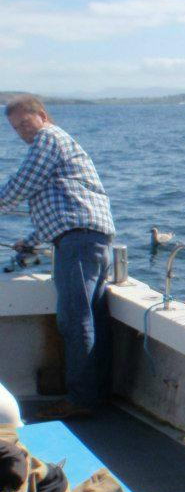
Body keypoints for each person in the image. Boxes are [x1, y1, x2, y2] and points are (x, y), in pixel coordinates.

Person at [1, 95, 115, 420]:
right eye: (15, 127)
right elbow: (56, 201)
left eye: (25, 122)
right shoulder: (54, 146)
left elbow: (22, 184)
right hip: (87, 236)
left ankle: (80, 399)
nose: (22, 131)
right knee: (92, 317)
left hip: (78, 239)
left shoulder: (48, 137)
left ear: (42, 115)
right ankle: (96, 395)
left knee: (74, 318)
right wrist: (33, 240)